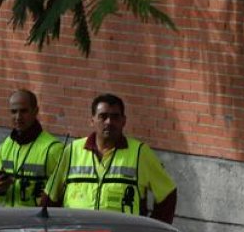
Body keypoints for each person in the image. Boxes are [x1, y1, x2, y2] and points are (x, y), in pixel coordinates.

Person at [44, 93, 176, 223]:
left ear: (124, 121)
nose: (109, 122)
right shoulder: (72, 151)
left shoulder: (140, 153)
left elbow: (167, 194)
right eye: (103, 116)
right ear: (92, 121)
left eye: (115, 117)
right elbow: (50, 197)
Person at [0, 90, 64, 208]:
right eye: (14, 112)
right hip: (10, 222)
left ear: (35, 111)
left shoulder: (53, 149)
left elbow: (63, 195)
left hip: (38, 224)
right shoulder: (5, 146)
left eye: (23, 111)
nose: (18, 117)